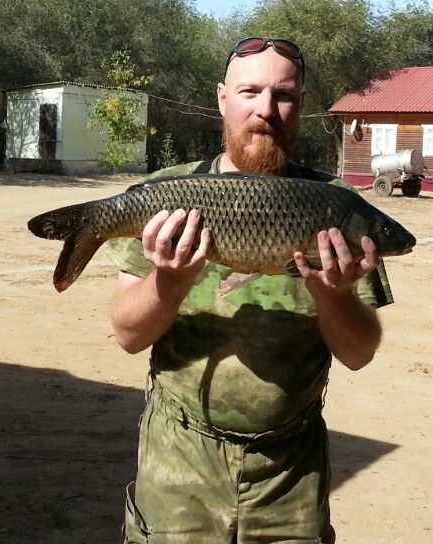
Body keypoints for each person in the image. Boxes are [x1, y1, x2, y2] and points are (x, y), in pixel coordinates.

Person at [107, 37, 393, 543]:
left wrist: (334, 297)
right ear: (223, 99)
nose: (266, 110)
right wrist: (170, 281)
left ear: (300, 105)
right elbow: (129, 336)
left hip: (290, 468)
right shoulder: (168, 194)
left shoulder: (337, 207)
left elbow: (359, 353)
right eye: (250, 91)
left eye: (283, 95)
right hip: (180, 456)